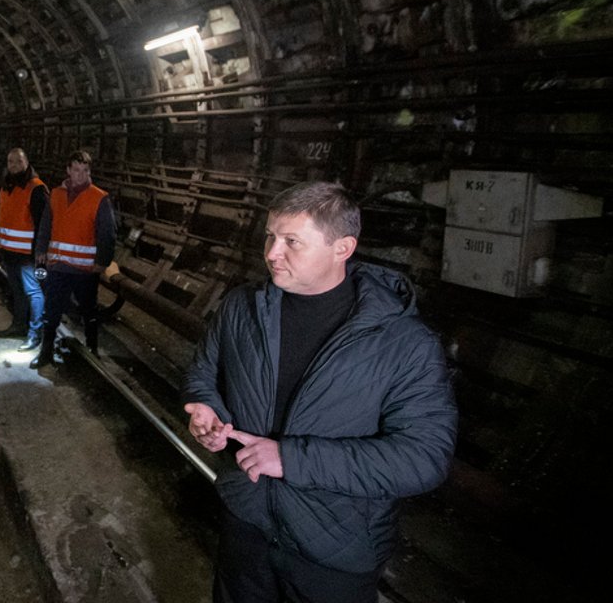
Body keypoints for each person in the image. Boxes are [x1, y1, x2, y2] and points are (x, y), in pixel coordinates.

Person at [181, 181, 457, 603]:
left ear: (342, 248)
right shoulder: (242, 307)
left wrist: (290, 458)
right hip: (246, 524)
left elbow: (423, 458)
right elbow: (205, 371)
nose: (272, 252)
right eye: (271, 236)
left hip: (333, 548)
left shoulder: (404, 343)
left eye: (292, 241)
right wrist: (207, 409)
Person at [30, 150, 115, 369]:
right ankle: (46, 352)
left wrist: (102, 262)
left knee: (89, 310)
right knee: (52, 310)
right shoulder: (56, 194)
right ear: (68, 170)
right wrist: (41, 248)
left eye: (85, 171)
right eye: (76, 170)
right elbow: (46, 224)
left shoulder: (99, 197)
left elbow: (107, 233)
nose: (80, 175)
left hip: (85, 269)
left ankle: (93, 349)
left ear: (89, 172)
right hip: (58, 266)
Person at [0, 148, 49, 351]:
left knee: (33, 292)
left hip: (29, 255)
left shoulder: (35, 188)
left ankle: (35, 334)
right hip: (10, 252)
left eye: (18, 161)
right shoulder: (6, 187)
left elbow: (45, 223)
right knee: (17, 291)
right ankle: (19, 326)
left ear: (26, 162)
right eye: (10, 161)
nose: (14, 165)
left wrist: (39, 253)